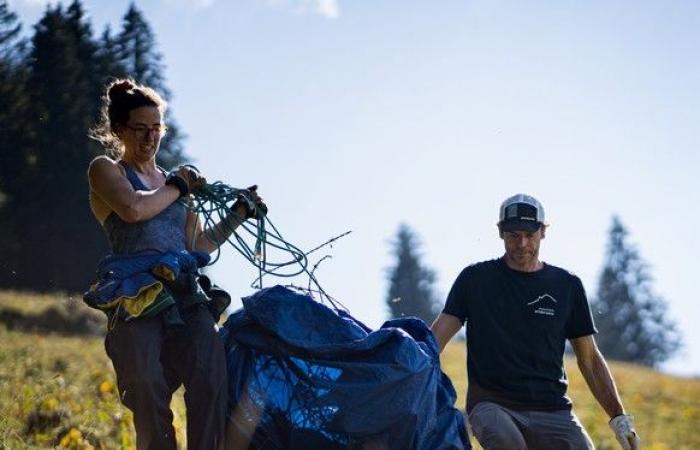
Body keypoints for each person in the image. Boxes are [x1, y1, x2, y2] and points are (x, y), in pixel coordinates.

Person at [86, 79, 263, 450]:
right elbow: (134, 209)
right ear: (119, 130)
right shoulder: (106, 170)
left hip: (184, 291)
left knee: (211, 375)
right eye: (140, 129)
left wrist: (237, 215)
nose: (150, 138)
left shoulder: (173, 185)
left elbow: (197, 244)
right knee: (147, 383)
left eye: (156, 128)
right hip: (136, 293)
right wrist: (179, 187)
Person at [430, 194, 640, 450]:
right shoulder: (475, 280)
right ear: (500, 232)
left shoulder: (566, 286)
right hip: (492, 405)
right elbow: (433, 343)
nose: (522, 244)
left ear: (543, 232)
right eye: (513, 235)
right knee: (509, 443)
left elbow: (590, 360)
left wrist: (618, 417)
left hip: (553, 409)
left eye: (529, 235)